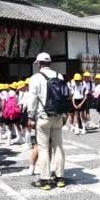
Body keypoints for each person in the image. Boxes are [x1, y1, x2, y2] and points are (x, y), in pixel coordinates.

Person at [28, 52, 66, 190]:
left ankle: (45, 179)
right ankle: (60, 177)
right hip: (58, 116)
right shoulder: (59, 76)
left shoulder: (35, 78)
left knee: (43, 148)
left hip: (43, 117)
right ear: (50, 63)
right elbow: (64, 96)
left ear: (38, 64)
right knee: (58, 147)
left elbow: (32, 99)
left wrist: (30, 117)